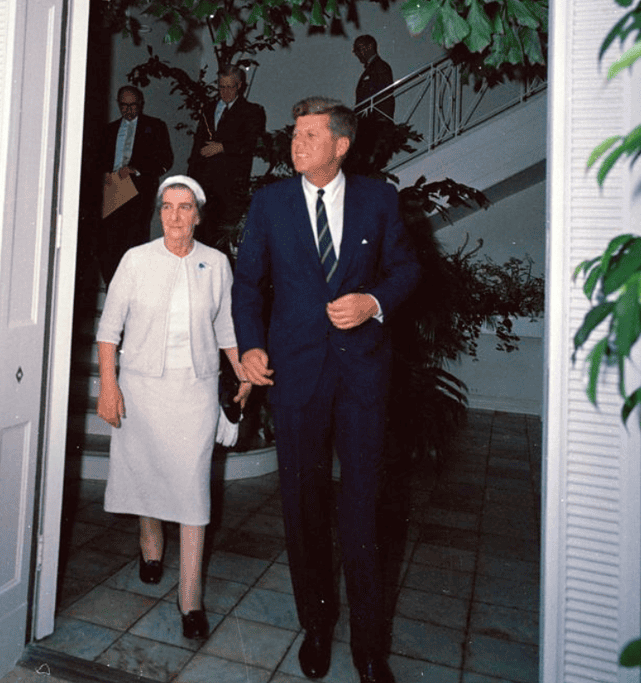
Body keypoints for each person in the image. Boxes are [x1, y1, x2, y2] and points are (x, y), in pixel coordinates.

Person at [232, 97, 420, 683]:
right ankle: (315, 629)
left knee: (363, 510)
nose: (296, 143)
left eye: (310, 135)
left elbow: (408, 269)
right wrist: (251, 345)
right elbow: (246, 283)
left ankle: (370, 649)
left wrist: (373, 302)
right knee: (303, 506)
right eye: (295, 134)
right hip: (296, 374)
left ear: (341, 145)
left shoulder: (377, 200)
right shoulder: (270, 203)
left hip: (362, 373)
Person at [96, 175, 251, 639]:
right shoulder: (136, 260)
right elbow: (109, 331)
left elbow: (227, 328)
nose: (175, 216)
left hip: (195, 393)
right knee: (147, 470)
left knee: (191, 488)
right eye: (167, 207)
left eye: (185, 207)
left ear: (199, 215)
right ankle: (150, 544)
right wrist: (108, 385)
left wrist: (243, 376)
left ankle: (190, 598)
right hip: (142, 390)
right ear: (159, 212)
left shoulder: (216, 263)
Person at [97, 85, 174, 284]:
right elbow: (96, 160)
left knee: (134, 242)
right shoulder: (109, 130)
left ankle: (134, 288)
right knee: (108, 244)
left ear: (141, 104)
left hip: (138, 192)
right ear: (118, 104)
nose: (129, 110)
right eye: (124, 105)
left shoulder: (155, 127)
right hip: (112, 191)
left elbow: (166, 161)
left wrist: (136, 169)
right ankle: (112, 287)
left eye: (133, 105)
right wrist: (104, 174)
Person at [187, 65, 266, 248]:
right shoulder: (208, 109)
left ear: (239, 86)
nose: (225, 92)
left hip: (230, 187)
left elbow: (250, 143)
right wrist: (191, 180)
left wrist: (222, 147)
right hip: (204, 184)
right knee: (199, 237)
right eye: (221, 87)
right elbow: (197, 147)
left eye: (230, 87)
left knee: (220, 241)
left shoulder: (252, 111)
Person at [353, 35, 395, 120]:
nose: (356, 53)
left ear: (370, 46)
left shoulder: (381, 67)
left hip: (374, 121)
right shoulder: (374, 68)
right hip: (369, 120)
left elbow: (384, 96)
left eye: (358, 49)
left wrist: (381, 121)